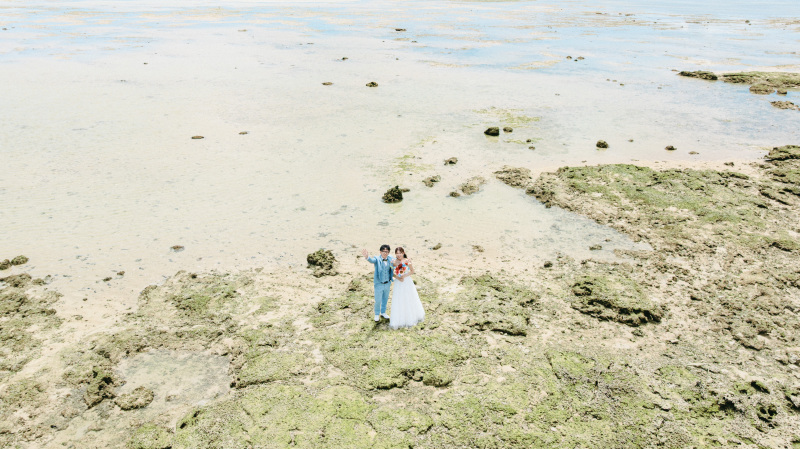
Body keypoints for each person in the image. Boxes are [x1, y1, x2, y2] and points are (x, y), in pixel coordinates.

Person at [389, 247, 425, 329]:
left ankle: (410, 317)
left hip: (407, 281)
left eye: (400, 253)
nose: (398, 255)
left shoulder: (407, 261)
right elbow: (391, 272)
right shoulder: (394, 261)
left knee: (409, 297)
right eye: (397, 253)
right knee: (399, 299)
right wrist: (398, 277)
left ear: (403, 253)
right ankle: (399, 319)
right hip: (398, 282)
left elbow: (412, 271)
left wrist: (404, 276)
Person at [362, 245, 393, 322]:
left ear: (389, 252)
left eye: (387, 252)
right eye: (384, 251)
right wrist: (367, 257)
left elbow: (397, 261)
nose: (385, 253)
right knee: (378, 300)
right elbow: (371, 260)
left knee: (385, 299)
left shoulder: (390, 258)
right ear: (380, 252)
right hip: (379, 283)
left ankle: (383, 312)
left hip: (387, 283)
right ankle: (376, 314)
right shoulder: (377, 259)